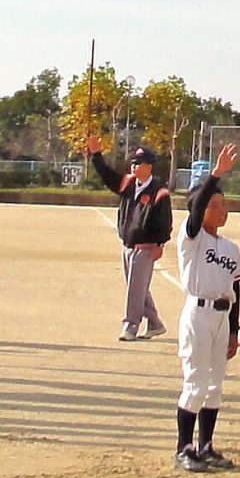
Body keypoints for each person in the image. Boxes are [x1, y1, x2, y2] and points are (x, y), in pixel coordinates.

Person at [173, 143, 240, 472]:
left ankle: (206, 446)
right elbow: (196, 207)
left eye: (224, 205)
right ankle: (184, 448)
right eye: (215, 205)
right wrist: (214, 175)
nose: (222, 210)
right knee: (196, 382)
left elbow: (235, 289)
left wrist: (235, 330)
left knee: (215, 386)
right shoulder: (191, 238)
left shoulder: (230, 247)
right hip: (197, 315)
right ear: (200, 211)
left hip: (222, 317)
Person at [88, 136, 172, 342]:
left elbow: (165, 221)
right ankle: (155, 323)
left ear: (149, 167)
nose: (134, 166)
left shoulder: (159, 192)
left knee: (136, 288)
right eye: (133, 162)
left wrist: (160, 244)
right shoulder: (128, 184)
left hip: (146, 247)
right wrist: (96, 155)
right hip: (128, 245)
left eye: (139, 163)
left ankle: (130, 326)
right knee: (137, 288)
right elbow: (107, 175)